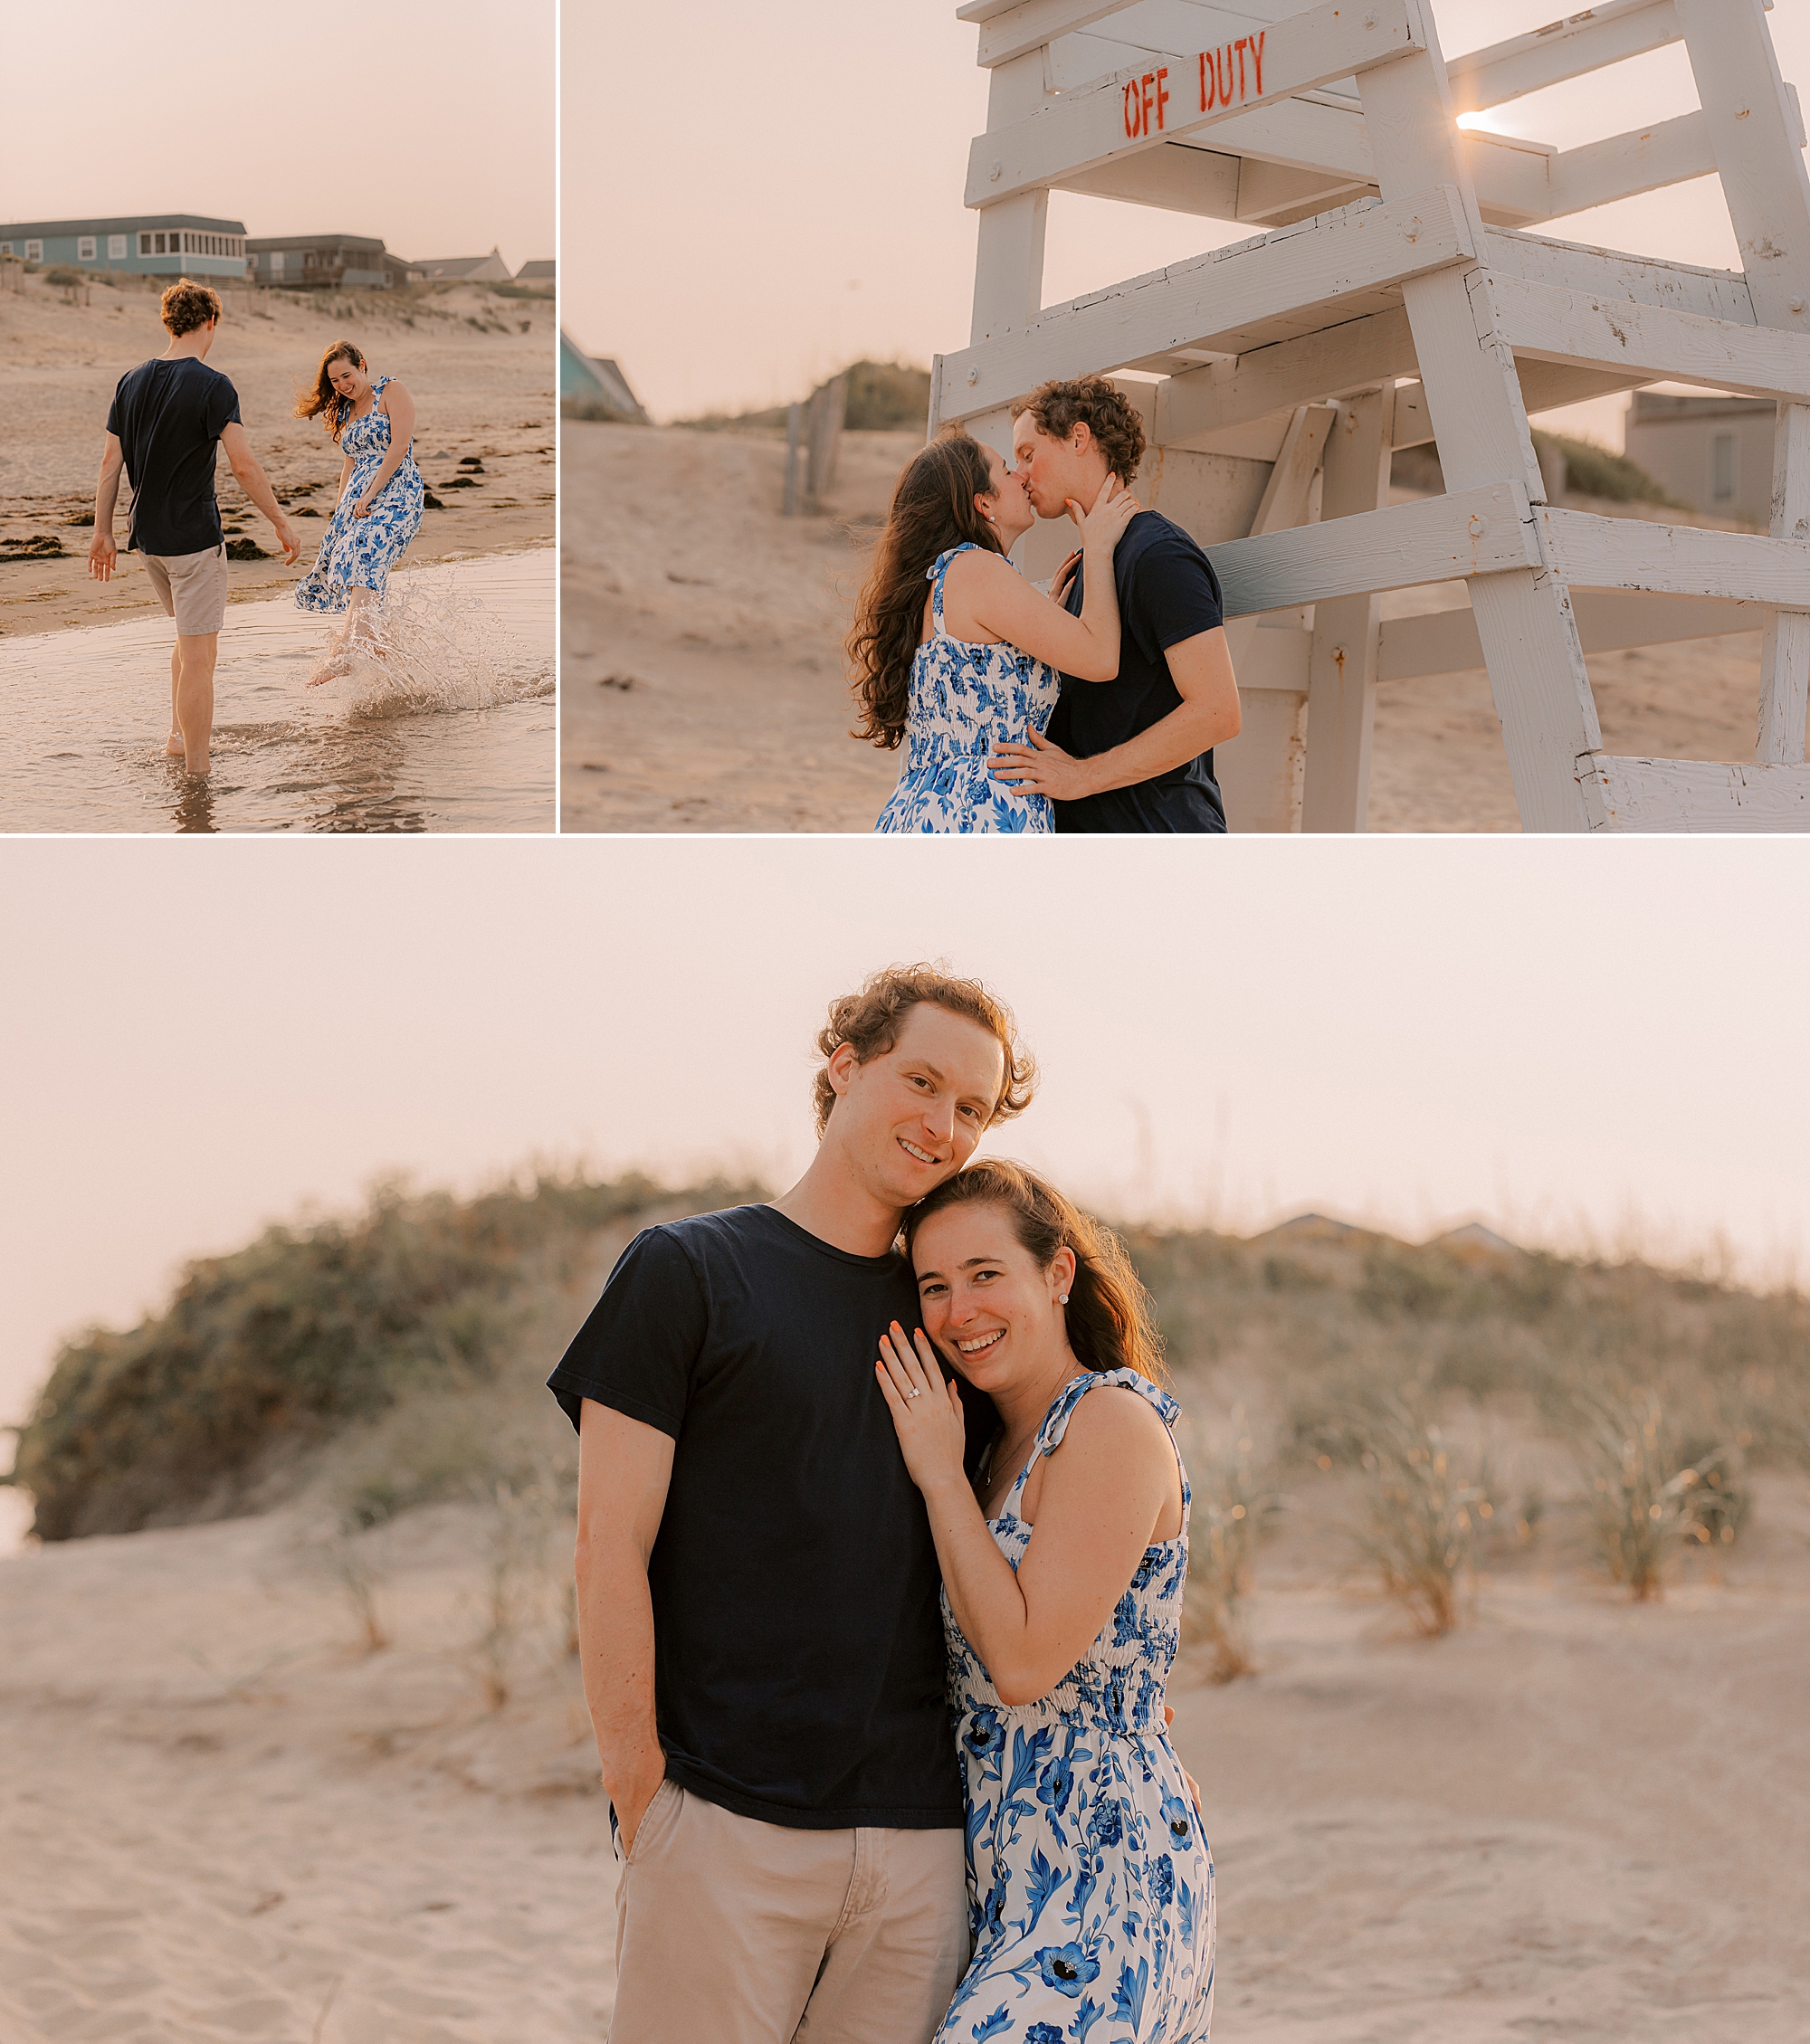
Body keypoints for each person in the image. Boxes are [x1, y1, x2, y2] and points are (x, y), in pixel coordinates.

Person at [548, 965, 1038, 2042]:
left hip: (920, 1851)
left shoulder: (960, 1317)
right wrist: (642, 1793)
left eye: (970, 1108)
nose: (942, 1125)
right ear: (843, 1065)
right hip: (724, 1827)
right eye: (920, 1081)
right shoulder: (687, 1271)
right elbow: (606, 1549)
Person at [877, 1158, 1215, 2042]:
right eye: (934, 1287)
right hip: (1005, 1875)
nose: (959, 1313)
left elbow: (1022, 1664)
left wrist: (936, 1475)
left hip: (1103, 1875)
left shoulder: (1106, 1424)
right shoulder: (995, 1447)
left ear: (1056, 1272)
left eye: (986, 1275)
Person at [852, 430, 1138, 832]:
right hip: (982, 810)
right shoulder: (978, 570)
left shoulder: (947, 578)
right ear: (984, 502)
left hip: (933, 808)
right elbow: (1102, 658)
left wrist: (1049, 617)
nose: (1022, 477)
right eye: (1006, 469)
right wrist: (1099, 548)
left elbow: (983, 680)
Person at [990, 375, 1242, 832]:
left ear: (1079, 438)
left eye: (1029, 454)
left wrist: (1082, 776)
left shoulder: (1159, 555)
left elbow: (1218, 711)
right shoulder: (1090, 564)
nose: (1020, 474)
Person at [87, 279, 302, 777]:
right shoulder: (213, 384)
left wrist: (103, 532)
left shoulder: (130, 380)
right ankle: (198, 778)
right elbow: (244, 466)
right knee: (202, 657)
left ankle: (179, 740)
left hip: (149, 542)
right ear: (211, 322)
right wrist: (281, 521)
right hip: (193, 541)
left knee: (188, 643)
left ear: (169, 322)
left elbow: (108, 464)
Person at [292, 341, 424, 683]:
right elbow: (349, 463)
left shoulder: (392, 391)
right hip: (359, 501)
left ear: (362, 365)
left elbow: (399, 447)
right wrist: (340, 513)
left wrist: (370, 494)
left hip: (397, 492)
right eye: (335, 381)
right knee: (353, 565)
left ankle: (347, 652)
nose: (342, 385)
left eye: (346, 376)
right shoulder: (344, 411)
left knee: (366, 553)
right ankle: (389, 664)